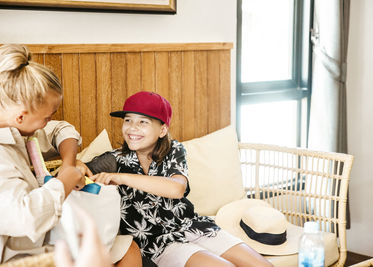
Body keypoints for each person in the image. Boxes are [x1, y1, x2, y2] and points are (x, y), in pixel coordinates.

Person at [88, 91, 274, 267]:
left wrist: (122, 178)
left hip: (194, 226)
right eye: (128, 120)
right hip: (158, 243)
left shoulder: (173, 150)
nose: (132, 128)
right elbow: (81, 170)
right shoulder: (114, 159)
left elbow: (176, 189)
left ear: (162, 130)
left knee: (262, 265)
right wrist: (78, 166)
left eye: (143, 122)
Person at [0, 44, 141, 267]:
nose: (47, 123)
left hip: (39, 241)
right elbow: (25, 218)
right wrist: (62, 184)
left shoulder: (21, 132)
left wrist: (68, 164)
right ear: (21, 116)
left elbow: (62, 130)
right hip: (18, 258)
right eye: (46, 117)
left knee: (129, 247)